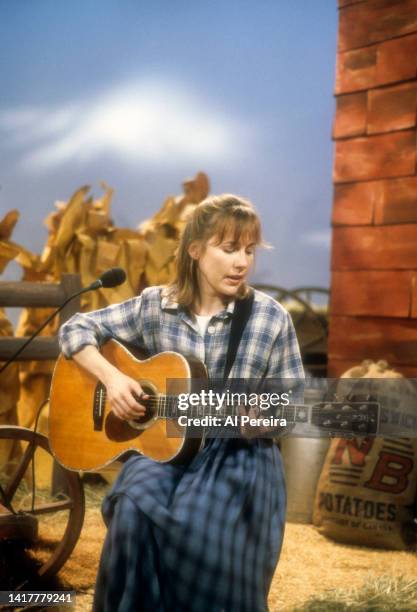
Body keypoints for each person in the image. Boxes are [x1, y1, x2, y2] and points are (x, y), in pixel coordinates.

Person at [58, 194, 304, 612]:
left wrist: (266, 419)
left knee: (198, 527)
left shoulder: (269, 317)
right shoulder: (155, 305)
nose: (241, 262)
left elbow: (293, 400)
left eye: (248, 251)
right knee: (133, 511)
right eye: (228, 250)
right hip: (165, 448)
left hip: (237, 454)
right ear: (195, 249)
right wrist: (113, 378)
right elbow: (75, 328)